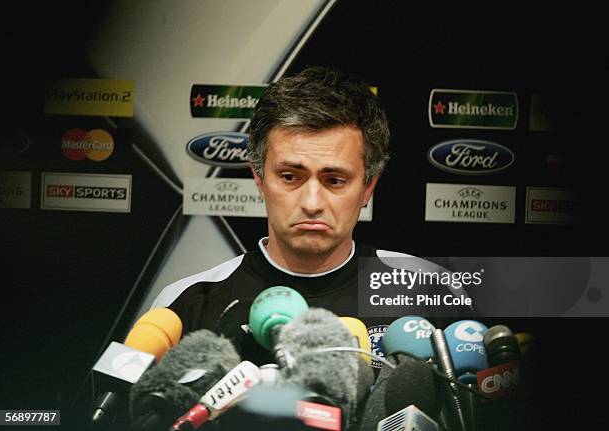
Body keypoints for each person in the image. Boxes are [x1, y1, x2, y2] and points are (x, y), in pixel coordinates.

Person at [151, 66, 465, 366]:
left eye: (334, 180)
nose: (312, 203)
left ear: (368, 187)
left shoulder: (430, 293)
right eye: (290, 177)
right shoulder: (185, 305)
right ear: (259, 179)